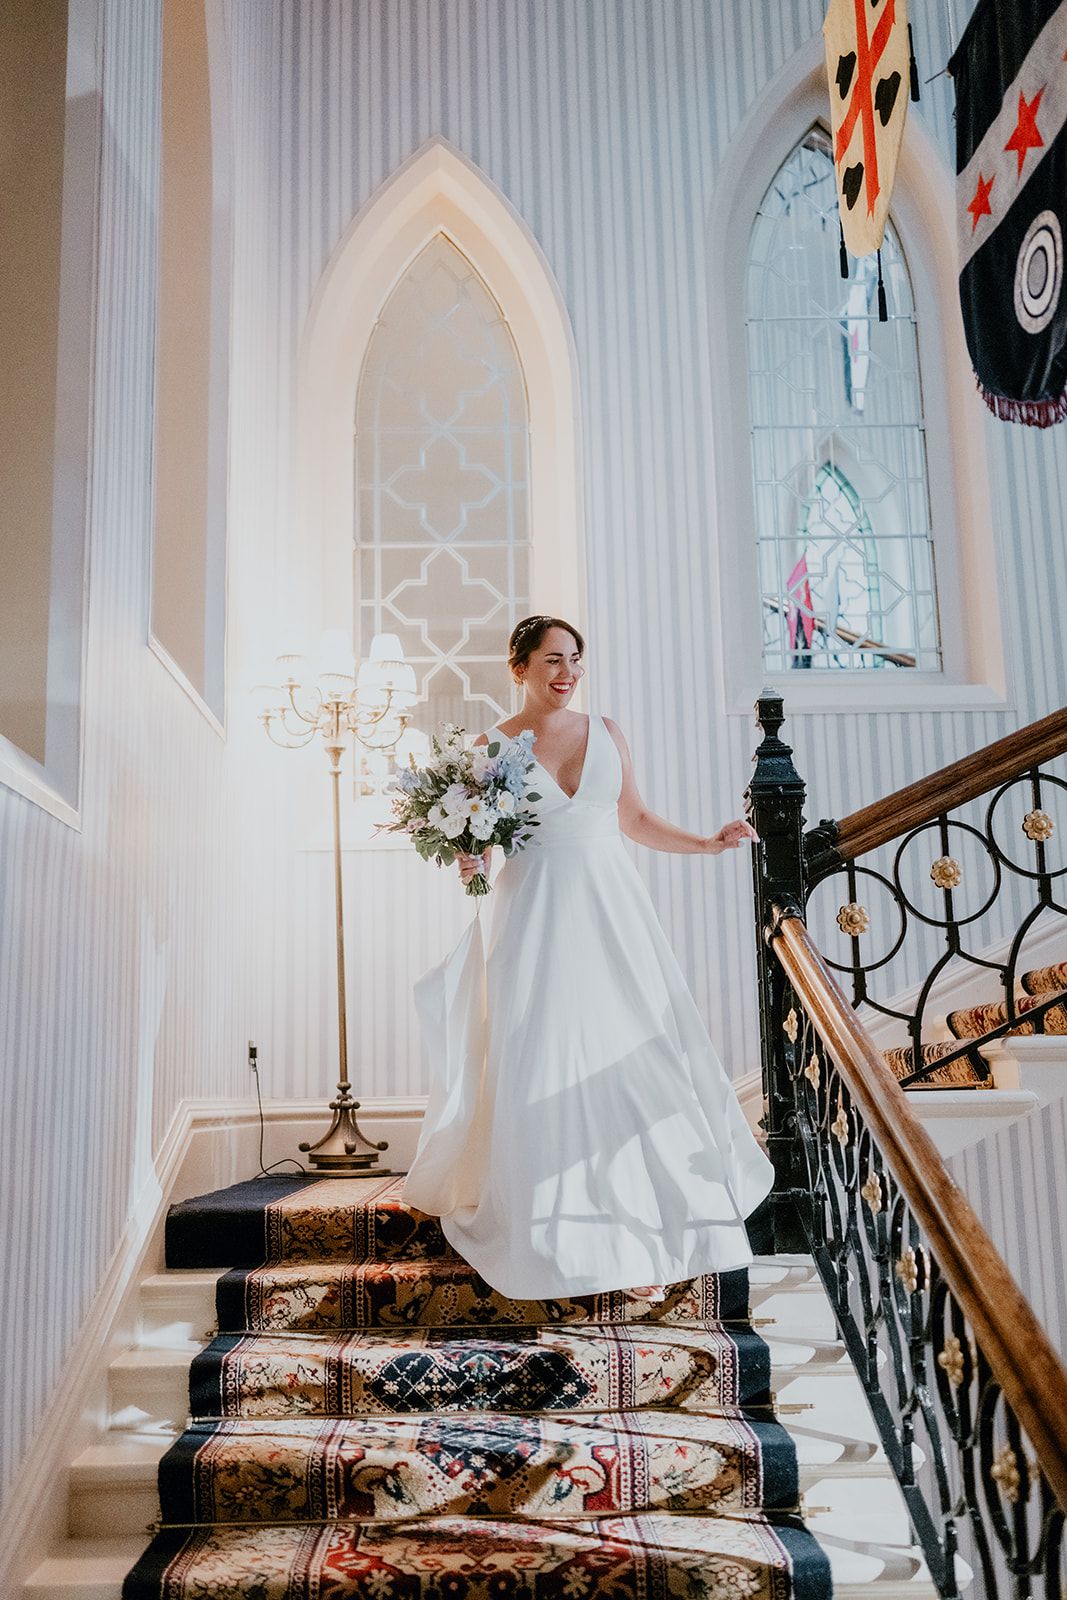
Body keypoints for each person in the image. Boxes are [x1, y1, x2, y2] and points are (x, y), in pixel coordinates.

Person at [400, 614, 774, 1302]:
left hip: (610, 911)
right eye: (550, 660)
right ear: (517, 668)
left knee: (637, 1059)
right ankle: (553, 1236)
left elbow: (632, 820)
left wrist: (707, 842)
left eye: (574, 659)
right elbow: (481, 846)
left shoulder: (607, 731)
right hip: (532, 914)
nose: (566, 672)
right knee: (540, 1063)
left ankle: (647, 1236)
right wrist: (467, 852)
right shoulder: (490, 746)